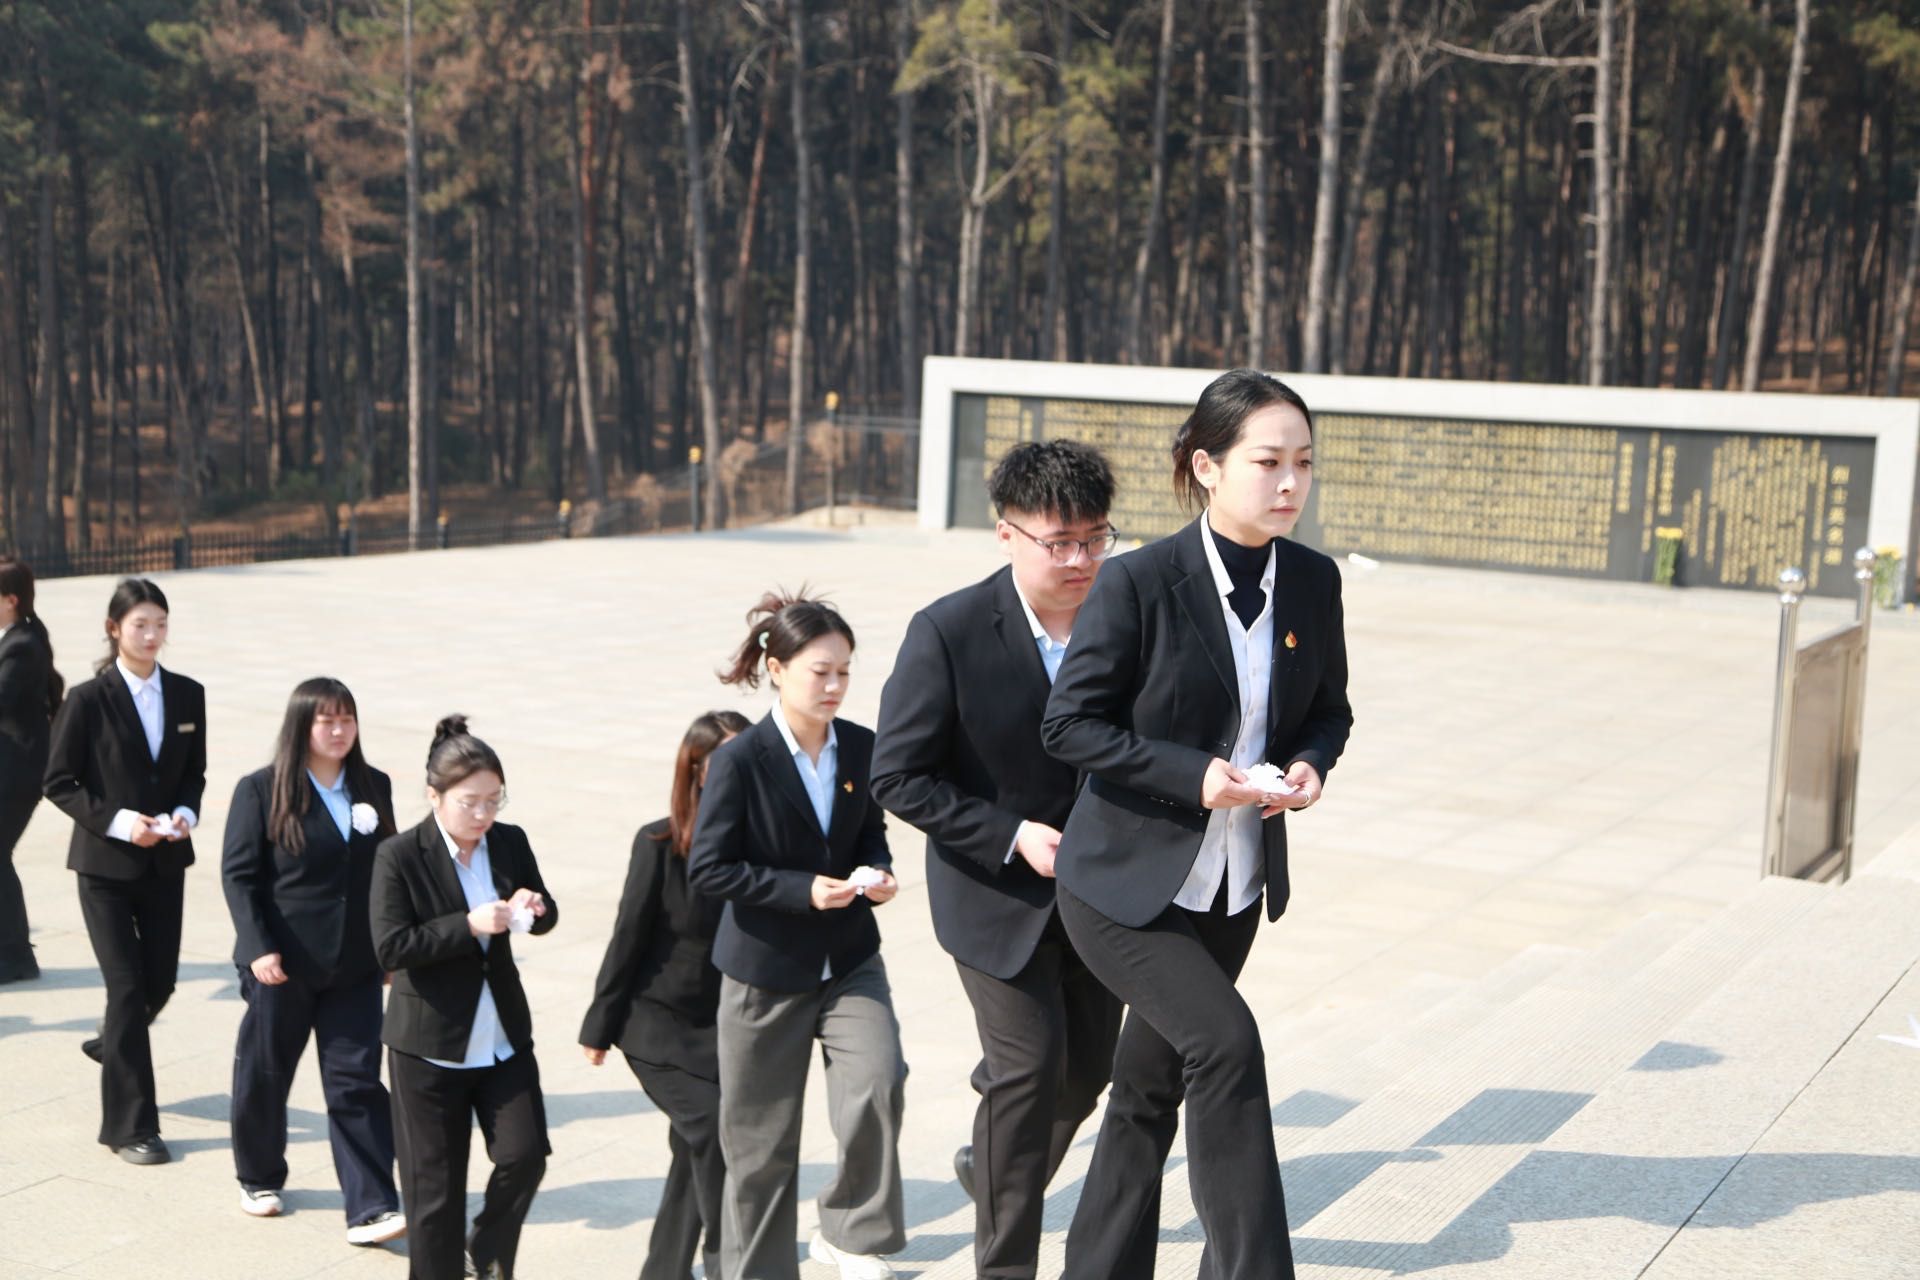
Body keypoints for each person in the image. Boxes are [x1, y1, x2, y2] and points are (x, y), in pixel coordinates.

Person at [1041, 369, 1353, 1280]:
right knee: (1225, 1046)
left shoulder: (1313, 581)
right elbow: (1069, 725)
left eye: (1304, 463)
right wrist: (1193, 776)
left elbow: (1328, 711)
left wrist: (1309, 765)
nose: (1290, 483)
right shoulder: (1139, 581)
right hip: (1123, 886)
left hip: (1233, 886)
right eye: (1268, 462)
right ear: (1206, 466)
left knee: (1148, 1087)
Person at [871, 441, 1125, 1280]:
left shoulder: (1124, 617)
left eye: (1095, 538)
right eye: (1060, 543)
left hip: (1102, 895)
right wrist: (1014, 835)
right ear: (1006, 534)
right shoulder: (947, 632)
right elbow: (897, 776)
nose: (1081, 560)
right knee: (1027, 1073)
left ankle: (988, 1166)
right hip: (995, 897)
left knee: (1086, 1074)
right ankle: (1006, 1265)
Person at [688, 592, 907, 1280]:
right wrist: (799, 890)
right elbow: (710, 868)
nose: (835, 686)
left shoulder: (861, 747)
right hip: (763, 971)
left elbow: (870, 834)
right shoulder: (740, 761)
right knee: (760, 1145)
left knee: (878, 1080)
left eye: (845, 671)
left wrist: (878, 872)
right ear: (777, 670)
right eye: (821, 672)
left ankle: (849, 1233)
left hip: (849, 959)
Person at [370, 716, 558, 1280]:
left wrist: (535, 906)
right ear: (435, 796)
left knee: (526, 1155)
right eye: (469, 803)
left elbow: (546, 910)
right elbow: (390, 946)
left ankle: (487, 1247)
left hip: (501, 1038)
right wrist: (467, 925)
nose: (483, 815)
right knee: (435, 1196)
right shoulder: (400, 855)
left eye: (493, 801)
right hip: (429, 1047)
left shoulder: (509, 840)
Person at [221, 677, 406, 1245]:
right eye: (326, 720)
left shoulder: (374, 785)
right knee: (266, 1073)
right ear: (302, 726)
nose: (338, 730)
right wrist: (258, 947)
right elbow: (239, 875)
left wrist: (390, 946)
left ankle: (372, 1205)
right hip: (282, 964)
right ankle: (258, 1178)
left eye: (347, 719)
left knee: (357, 1082)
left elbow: (388, 872)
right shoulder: (261, 789)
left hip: (355, 966)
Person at [580, 709, 750, 1280]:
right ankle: (729, 1263)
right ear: (696, 769)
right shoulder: (657, 844)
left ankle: (664, 1270)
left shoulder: (761, 843)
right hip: (656, 1025)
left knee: (692, 1151)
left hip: (722, 1029)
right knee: (713, 1132)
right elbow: (627, 936)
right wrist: (599, 1026)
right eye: (723, 759)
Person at [43, 577, 206, 1166]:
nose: (152, 635)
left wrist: (185, 813)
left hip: (166, 863)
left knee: (160, 982)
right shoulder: (88, 700)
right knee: (128, 987)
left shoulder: (187, 694)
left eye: (160, 624)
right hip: (105, 868)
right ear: (114, 629)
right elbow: (58, 782)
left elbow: (193, 774)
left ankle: (114, 1039)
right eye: (140, 624)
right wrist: (119, 823)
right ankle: (131, 1127)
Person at [0, 557, 62, 984]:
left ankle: (17, 957)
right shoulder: (19, 636)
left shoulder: (22, 645)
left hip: (17, 773)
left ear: (10, 600)